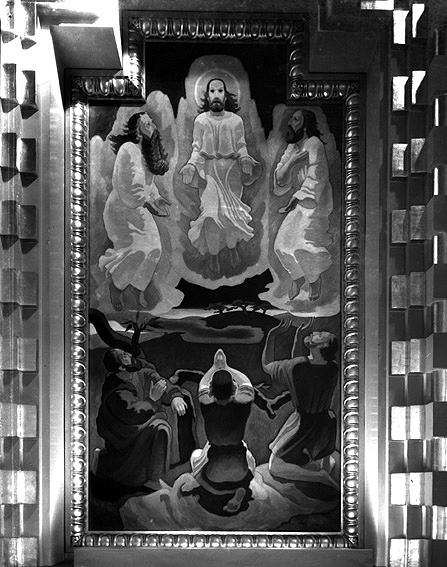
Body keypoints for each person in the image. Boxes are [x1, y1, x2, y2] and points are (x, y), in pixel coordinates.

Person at [180, 78, 261, 274]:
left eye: (220, 91)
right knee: (210, 216)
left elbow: (241, 145)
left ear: (225, 96)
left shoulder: (235, 121)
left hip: (231, 174)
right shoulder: (201, 121)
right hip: (209, 173)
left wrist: (245, 158)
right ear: (207, 96)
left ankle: (232, 248)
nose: (216, 95)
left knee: (229, 215)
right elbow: (197, 148)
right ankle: (214, 254)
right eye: (212, 91)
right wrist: (191, 165)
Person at [99, 111, 172, 311]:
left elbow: (149, 183)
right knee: (138, 250)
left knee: (155, 249)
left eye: (152, 123)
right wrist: (146, 202)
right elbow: (123, 184)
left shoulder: (148, 153)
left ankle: (136, 289)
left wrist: (156, 197)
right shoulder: (128, 149)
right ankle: (116, 287)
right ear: (138, 132)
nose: (152, 126)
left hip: (139, 208)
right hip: (120, 210)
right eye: (147, 124)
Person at [96, 348, 188, 491]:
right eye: (125, 356)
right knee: (161, 428)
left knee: (160, 426)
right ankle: (153, 479)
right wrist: (152, 400)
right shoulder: (116, 391)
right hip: (125, 436)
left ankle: (153, 476)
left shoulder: (141, 373)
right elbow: (132, 415)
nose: (130, 355)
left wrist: (174, 396)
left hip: (142, 426)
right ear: (121, 367)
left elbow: (161, 383)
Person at [261, 319, 338, 482]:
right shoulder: (332, 368)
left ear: (323, 346)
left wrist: (272, 336)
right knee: (320, 459)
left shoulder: (297, 367)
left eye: (320, 335)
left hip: (302, 424)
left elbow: (267, 365)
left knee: (275, 467)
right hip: (325, 422)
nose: (315, 332)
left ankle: (319, 477)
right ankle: (322, 470)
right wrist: (298, 336)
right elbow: (300, 366)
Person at [273, 109, 333, 301]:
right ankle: (297, 277)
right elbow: (280, 178)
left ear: (305, 125)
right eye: (292, 118)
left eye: (296, 119)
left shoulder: (313, 143)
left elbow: (318, 175)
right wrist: (292, 161)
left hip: (316, 202)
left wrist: (297, 197)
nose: (290, 122)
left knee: (303, 246)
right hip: (299, 201)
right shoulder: (292, 148)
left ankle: (314, 280)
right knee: (280, 245)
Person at [187, 349, 256, 515]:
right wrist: (227, 368)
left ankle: (215, 490)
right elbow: (246, 383)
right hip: (239, 469)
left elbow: (203, 385)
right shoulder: (242, 405)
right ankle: (240, 488)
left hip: (213, 473)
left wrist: (214, 368)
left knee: (196, 456)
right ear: (234, 389)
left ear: (212, 391)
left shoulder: (207, 405)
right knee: (249, 457)